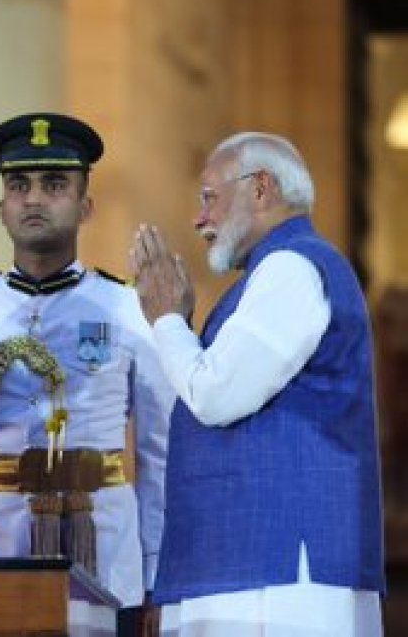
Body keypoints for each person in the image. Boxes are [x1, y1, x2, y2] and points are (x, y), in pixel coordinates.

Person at [0, 112, 175, 628]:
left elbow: (158, 451)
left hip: (100, 533)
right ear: (1, 207)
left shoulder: (126, 307)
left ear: (86, 204)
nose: (33, 198)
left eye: (54, 184)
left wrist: (155, 572)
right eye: (19, 185)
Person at [131, 132, 385, 636]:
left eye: (209, 198)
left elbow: (215, 394)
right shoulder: (276, 271)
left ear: (261, 188)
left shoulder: (293, 266)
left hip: (279, 575)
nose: (199, 219)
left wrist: (165, 321)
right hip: (250, 568)